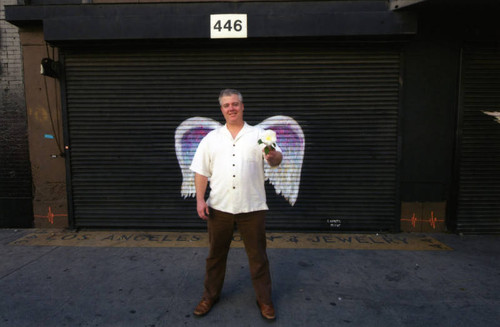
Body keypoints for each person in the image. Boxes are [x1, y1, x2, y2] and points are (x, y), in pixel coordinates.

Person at [189, 89, 283, 320]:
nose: (231, 108)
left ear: (242, 106)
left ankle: (265, 300)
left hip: (252, 208)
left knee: (258, 257)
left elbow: (276, 159)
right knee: (215, 256)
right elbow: (201, 171)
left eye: (235, 104)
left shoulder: (260, 134)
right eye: (226, 105)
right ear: (221, 109)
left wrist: (272, 157)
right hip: (219, 208)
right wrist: (200, 199)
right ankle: (210, 296)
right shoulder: (211, 139)